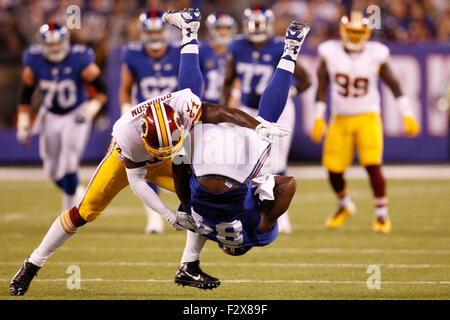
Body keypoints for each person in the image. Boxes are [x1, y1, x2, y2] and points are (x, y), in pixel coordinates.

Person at [10, 8, 290, 297]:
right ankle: (32, 264)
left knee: (199, 196)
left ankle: (188, 266)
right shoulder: (128, 135)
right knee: (85, 211)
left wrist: (257, 125)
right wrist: (169, 215)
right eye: (161, 147)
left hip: (175, 149)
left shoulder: (185, 105)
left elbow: (219, 111)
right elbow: (137, 181)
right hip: (129, 162)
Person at [172, 21, 310, 290]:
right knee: (188, 102)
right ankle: (189, 35)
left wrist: (263, 191)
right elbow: (180, 174)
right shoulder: (197, 222)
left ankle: (290, 51)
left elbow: (290, 184)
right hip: (204, 172)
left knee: (266, 120)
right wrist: (183, 149)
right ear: (224, 246)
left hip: (237, 174)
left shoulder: (257, 234)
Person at [310, 11, 420, 233]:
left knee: (372, 164)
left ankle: (381, 215)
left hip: (367, 116)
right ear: (342, 31)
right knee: (333, 169)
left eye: (359, 32)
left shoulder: (375, 54)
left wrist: (407, 113)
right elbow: (322, 87)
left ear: (367, 33)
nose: (355, 36)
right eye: (351, 31)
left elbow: (394, 85)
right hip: (340, 118)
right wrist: (318, 118)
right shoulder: (329, 52)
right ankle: (345, 204)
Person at [222, 5, 312, 233]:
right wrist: (224, 111)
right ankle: (246, 210)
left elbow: (306, 80)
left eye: (261, 23)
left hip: (278, 110)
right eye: (253, 23)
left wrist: (290, 92)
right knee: (243, 160)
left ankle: (281, 213)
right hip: (247, 108)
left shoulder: (277, 46)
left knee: (277, 162)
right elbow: (227, 79)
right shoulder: (238, 46)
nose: (257, 28)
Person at [16, 23, 107, 212]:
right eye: (49, 44)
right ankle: (77, 193)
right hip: (50, 114)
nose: (54, 48)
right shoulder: (34, 60)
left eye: (57, 43)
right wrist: (23, 123)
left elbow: (102, 90)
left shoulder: (79, 58)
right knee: (50, 170)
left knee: (68, 163)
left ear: (65, 42)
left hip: (75, 113)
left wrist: (91, 109)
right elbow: (25, 95)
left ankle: (68, 213)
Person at [120, 9, 181, 234]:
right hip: (145, 122)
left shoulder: (178, 52)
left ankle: (190, 211)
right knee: (148, 168)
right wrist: (126, 113)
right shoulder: (133, 54)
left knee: (183, 167)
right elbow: (125, 88)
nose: (155, 36)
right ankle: (155, 217)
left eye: (158, 31)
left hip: (174, 119)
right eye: (150, 31)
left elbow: (189, 83)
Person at [199, 11, 236, 104]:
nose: (223, 32)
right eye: (219, 28)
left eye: (227, 28)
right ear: (212, 29)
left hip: (228, 105)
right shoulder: (202, 50)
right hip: (206, 105)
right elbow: (197, 81)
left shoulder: (235, 50)